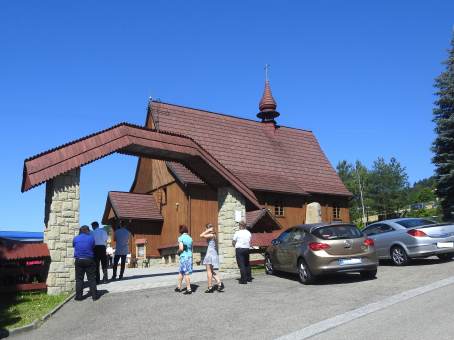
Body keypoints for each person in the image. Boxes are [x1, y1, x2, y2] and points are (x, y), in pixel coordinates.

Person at [73, 225, 98, 301]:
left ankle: (79, 297)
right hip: (89, 260)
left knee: (79, 279)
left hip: (79, 260)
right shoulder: (91, 238)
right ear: (88, 231)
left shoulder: (75, 238)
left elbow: (74, 246)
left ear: (80, 231)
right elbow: (93, 247)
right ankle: (94, 296)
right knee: (91, 278)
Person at [200, 223, 224, 293]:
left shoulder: (211, 235)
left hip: (210, 253)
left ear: (208, 228)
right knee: (211, 271)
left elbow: (201, 235)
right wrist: (208, 230)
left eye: (206, 228)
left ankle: (210, 287)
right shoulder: (214, 235)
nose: (205, 230)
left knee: (209, 271)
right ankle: (219, 283)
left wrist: (207, 230)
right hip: (213, 253)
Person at [175, 225, 193, 295]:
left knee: (185, 273)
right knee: (181, 272)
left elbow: (181, 248)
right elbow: (191, 249)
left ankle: (189, 289)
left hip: (184, 257)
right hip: (189, 256)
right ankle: (179, 287)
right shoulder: (190, 238)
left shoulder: (181, 238)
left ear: (181, 231)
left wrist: (178, 252)